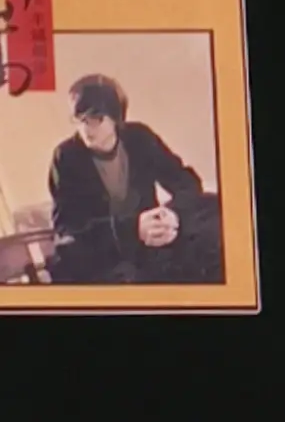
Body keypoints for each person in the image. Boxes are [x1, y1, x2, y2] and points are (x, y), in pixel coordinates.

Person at [46, 73, 219, 284]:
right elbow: (67, 229)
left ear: (116, 117)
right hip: (105, 253)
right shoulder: (66, 157)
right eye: (79, 120)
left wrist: (172, 214)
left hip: (152, 243)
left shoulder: (139, 137)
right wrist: (133, 229)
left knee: (213, 209)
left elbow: (187, 183)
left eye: (95, 119)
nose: (86, 129)